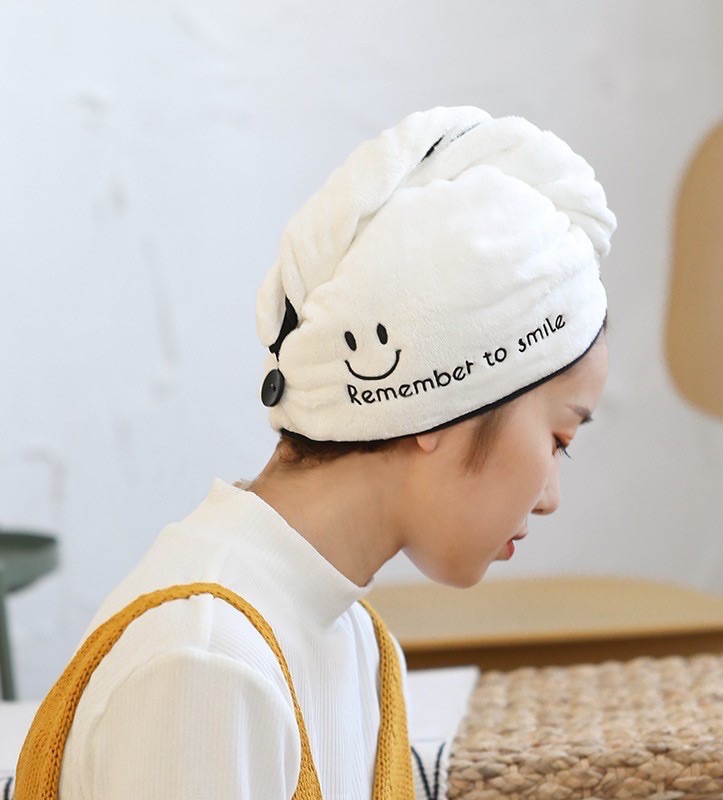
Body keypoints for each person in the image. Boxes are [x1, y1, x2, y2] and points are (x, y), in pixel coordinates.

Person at [16, 105, 616, 799]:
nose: (550, 498)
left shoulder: (355, 645)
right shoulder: (206, 664)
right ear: (442, 406)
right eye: (560, 440)